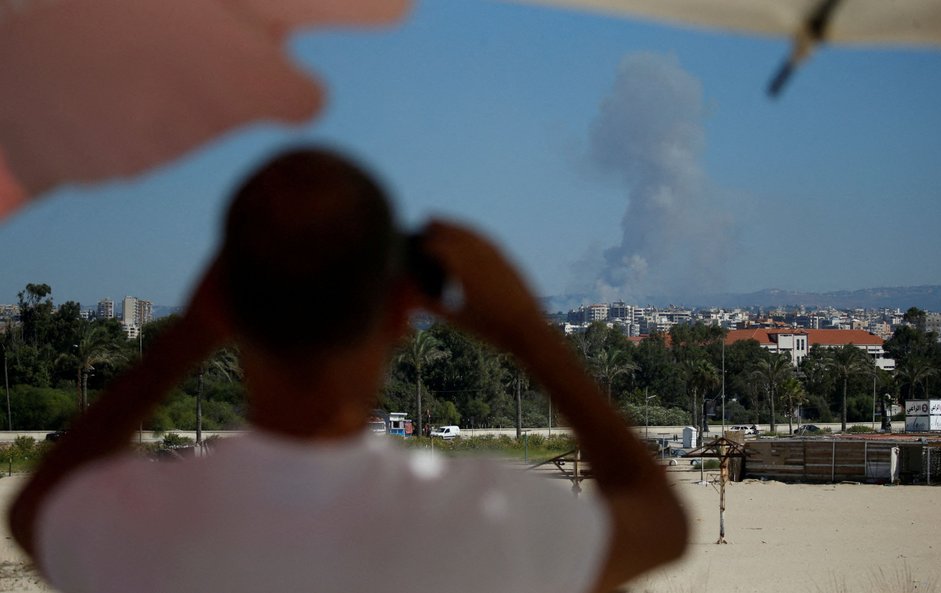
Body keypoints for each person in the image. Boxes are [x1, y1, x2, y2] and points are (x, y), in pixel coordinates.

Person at [8, 147, 687, 593]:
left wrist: (186, 335)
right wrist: (531, 334)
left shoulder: (141, 528)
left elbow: (36, 507)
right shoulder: (493, 519)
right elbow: (660, 519)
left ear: (227, 302)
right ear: (400, 311)